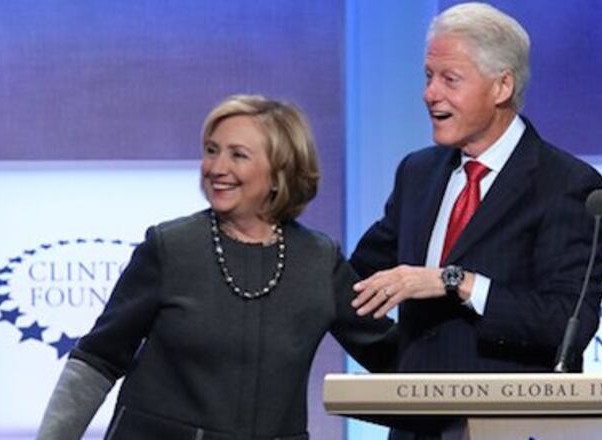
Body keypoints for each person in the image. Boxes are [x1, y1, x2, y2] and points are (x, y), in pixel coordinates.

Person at [37, 94, 396, 440]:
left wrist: (449, 288)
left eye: (238, 155)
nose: (217, 168)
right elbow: (97, 359)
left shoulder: (318, 260)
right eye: (211, 151)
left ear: (280, 172)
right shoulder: (171, 247)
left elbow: (390, 355)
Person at [350, 3, 602, 438]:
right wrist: (400, 362)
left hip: (514, 426)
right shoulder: (418, 173)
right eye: (428, 76)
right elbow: (358, 284)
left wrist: (455, 281)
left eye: (449, 79)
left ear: (502, 86)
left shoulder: (567, 185)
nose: (429, 93)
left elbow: (565, 321)